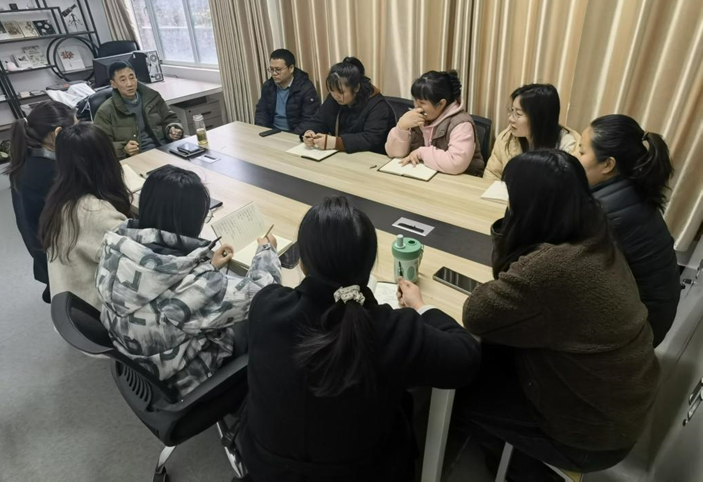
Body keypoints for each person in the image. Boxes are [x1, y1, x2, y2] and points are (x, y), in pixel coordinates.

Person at [411, 150, 658, 481]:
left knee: (460, 385)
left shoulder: (551, 268)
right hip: (620, 405)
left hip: (588, 433)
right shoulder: (595, 230)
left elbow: (476, 314)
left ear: (530, 207)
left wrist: (512, 228)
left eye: (512, 199)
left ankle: (517, 469)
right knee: (492, 350)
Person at [239, 196, 481, 481]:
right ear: (368, 267)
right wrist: (420, 307)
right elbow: (466, 357)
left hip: (267, 469)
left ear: (303, 263)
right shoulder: (392, 330)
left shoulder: (267, 306)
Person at [97, 165, 281, 395]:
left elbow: (157, 280)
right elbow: (266, 293)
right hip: (182, 379)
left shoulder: (114, 245)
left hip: (135, 356)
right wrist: (267, 250)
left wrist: (208, 266)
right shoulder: (199, 286)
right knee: (267, 325)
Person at [575, 115, 679, 346]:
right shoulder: (632, 187)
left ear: (608, 164)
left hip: (640, 328)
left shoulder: (605, 213)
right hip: (654, 311)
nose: (574, 157)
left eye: (581, 152)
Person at [39, 123, 132, 309]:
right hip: (101, 311)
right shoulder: (97, 213)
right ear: (107, 160)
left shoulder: (59, 200)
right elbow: (142, 268)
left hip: (74, 305)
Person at [4, 102, 76, 303]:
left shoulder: (27, 158)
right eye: (74, 129)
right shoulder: (50, 173)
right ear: (57, 133)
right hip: (58, 254)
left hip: (40, 249)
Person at [385, 70, 484, 175]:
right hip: (421, 175)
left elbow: (455, 163)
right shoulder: (415, 117)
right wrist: (401, 127)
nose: (416, 107)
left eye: (422, 103)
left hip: (459, 180)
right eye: (415, 100)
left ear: (441, 104)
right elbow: (394, 154)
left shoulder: (461, 124)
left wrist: (421, 153)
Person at [483, 83, 580, 180]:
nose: (511, 119)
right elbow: (492, 174)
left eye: (518, 114)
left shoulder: (568, 148)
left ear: (539, 118)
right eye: (512, 110)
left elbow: (564, 186)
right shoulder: (506, 138)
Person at [298, 57, 394, 154]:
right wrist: (309, 132)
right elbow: (319, 120)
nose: (336, 96)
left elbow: (370, 139)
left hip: (371, 157)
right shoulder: (333, 99)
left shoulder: (378, 106)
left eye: (341, 91)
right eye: (332, 90)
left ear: (356, 87)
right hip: (341, 155)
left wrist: (335, 142)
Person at [93, 61, 184, 158]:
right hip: (136, 157)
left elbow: (170, 118)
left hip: (164, 148)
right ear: (113, 84)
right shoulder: (105, 111)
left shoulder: (152, 97)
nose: (129, 84)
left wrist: (172, 128)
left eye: (132, 77)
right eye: (123, 80)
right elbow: (100, 145)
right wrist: (123, 149)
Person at [254, 48, 320, 134]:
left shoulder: (306, 88)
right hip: (271, 132)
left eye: (278, 69)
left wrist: (292, 137)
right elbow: (261, 112)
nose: (274, 73)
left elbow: (309, 120)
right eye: (271, 69)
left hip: (294, 134)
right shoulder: (268, 86)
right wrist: (262, 130)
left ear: (291, 68)